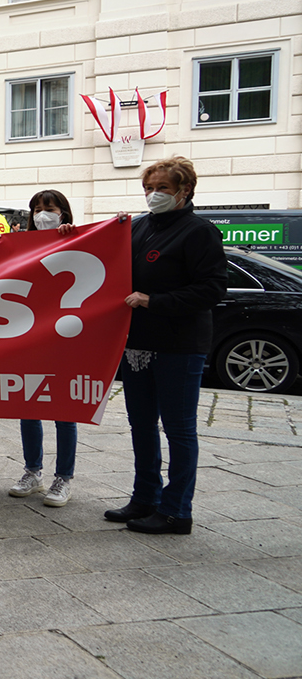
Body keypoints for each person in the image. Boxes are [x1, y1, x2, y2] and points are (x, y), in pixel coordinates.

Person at [106, 156, 226, 535]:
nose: (153, 195)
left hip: (179, 345)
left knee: (178, 429)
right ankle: (145, 498)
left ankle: (176, 511)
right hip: (138, 344)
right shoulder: (138, 228)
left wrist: (154, 301)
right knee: (141, 425)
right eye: (148, 188)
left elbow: (212, 288)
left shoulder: (198, 231)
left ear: (184, 191)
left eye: (162, 189)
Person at [8, 190, 79, 507]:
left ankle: (63, 478)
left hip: (63, 338)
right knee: (28, 407)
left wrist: (70, 239)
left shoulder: (75, 240)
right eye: (36, 209)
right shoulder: (22, 244)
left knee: (64, 410)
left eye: (48, 209)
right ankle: (32, 472)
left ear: (63, 212)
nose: (42, 214)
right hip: (29, 336)